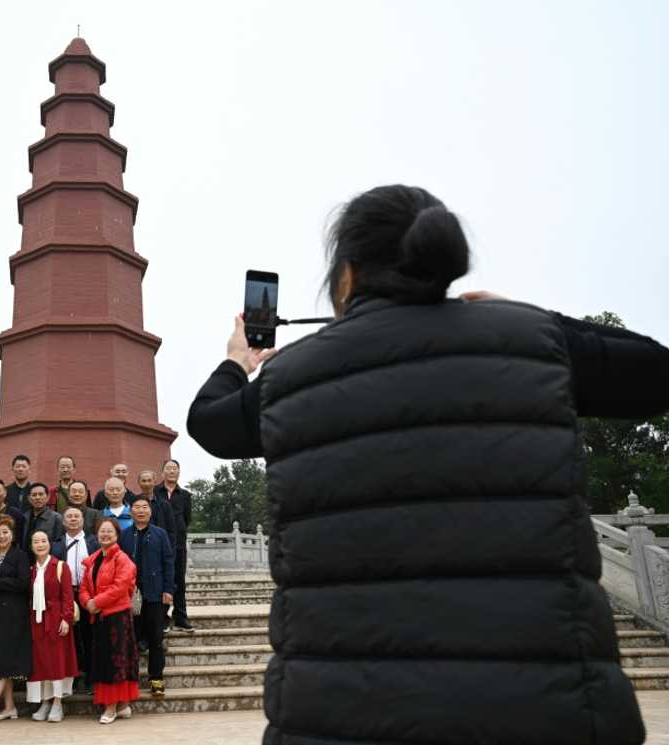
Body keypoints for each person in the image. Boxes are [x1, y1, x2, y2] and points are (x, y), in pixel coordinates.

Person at [186, 184, 669, 745]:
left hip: (341, 716)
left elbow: (208, 423)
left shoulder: (289, 378)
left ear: (346, 275)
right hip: (547, 714)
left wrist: (237, 362)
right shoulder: (530, 342)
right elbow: (656, 373)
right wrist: (536, 321)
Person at [80, 517, 139, 724]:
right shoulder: (94, 559)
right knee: (104, 661)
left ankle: (111, 707)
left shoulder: (123, 559)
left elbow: (120, 586)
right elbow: (84, 586)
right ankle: (122, 706)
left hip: (117, 617)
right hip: (99, 616)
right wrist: (88, 602)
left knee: (116, 662)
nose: (105, 534)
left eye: (109, 532)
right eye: (102, 531)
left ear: (116, 535)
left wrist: (97, 602)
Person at [0, 514, 32, 727]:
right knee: (1, 661)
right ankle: (10, 707)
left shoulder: (20, 556)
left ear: (12, 534)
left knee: (3, 662)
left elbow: (23, 584)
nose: (1, 536)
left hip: (13, 615)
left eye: (5, 532)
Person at [120, 497, 174, 697]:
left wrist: (169, 589)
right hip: (130, 594)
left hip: (155, 593)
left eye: (144, 507)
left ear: (150, 512)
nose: (141, 511)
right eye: (137, 507)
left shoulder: (160, 534)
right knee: (130, 638)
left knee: (155, 639)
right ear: (130, 511)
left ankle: (156, 678)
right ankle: (130, 677)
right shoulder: (124, 535)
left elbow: (169, 562)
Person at [27, 530, 79, 723]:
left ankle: (58, 703)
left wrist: (66, 619)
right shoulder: (32, 570)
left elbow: (68, 596)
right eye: (35, 541)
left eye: (43, 541)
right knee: (41, 663)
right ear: (31, 546)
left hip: (56, 620)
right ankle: (45, 702)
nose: (40, 544)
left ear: (49, 543)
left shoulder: (60, 566)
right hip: (37, 620)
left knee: (57, 661)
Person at [51, 506, 98, 691]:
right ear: (63, 521)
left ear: (83, 520)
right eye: (69, 516)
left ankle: (90, 675)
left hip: (88, 594)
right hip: (66, 594)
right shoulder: (56, 544)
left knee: (89, 635)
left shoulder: (93, 542)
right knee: (69, 635)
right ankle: (73, 673)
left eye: (76, 516)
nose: (72, 519)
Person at [153, 460, 192, 630]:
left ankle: (181, 616)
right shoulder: (155, 492)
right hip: (158, 544)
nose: (171, 471)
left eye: (175, 469)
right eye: (168, 469)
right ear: (162, 473)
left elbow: (187, 519)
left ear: (179, 472)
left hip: (178, 544)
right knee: (161, 580)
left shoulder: (185, 495)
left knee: (179, 581)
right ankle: (162, 617)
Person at [23, 481, 64, 553]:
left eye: (41, 494)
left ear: (48, 497)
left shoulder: (56, 518)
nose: (37, 497)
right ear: (29, 499)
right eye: (34, 495)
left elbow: (59, 546)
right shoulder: (24, 517)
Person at [137, 469, 176, 545]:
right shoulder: (133, 502)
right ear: (139, 483)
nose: (147, 484)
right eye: (144, 481)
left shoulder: (165, 505)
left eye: (149, 480)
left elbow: (171, 530)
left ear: (154, 482)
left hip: (160, 545)